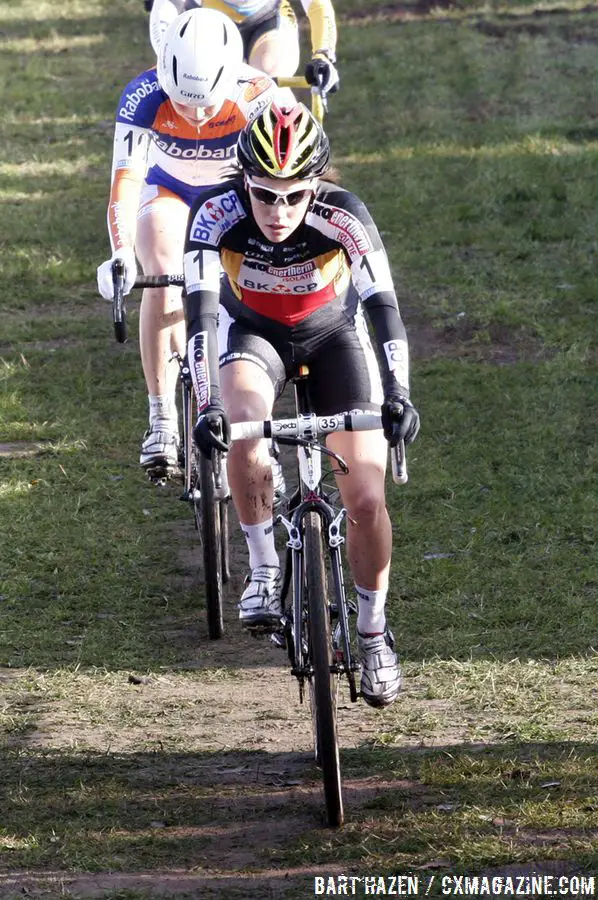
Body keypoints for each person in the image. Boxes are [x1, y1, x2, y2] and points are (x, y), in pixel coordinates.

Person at [183, 102, 420, 708]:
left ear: (317, 186)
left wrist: (399, 394)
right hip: (254, 338)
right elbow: (203, 317)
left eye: (295, 197)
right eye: (264, 195)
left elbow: (383, 307)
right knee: (242, 426)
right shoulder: (214, 215)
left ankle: (371, 635)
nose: (279, 212)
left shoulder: (346, 216)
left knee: (365, 496)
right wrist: (207, 403)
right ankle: (264, 568)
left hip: (334, 338)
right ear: (243, 181)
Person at [96, 8, 278, 478]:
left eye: (207, 106)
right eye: (183, 103)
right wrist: (120, 252)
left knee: (255, 281)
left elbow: (281, 174)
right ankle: (161, 415)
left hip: (233, 191)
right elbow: (126, 179)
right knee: (159, 270)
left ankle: (263, 429)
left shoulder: (257, 93)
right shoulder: (143, 93)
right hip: (169, 190)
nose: (196, 116)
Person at [146, 0, 339, 96]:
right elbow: (165, 7)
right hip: (208, 15)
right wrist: (168, 58)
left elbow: (318, 5)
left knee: (269, 78)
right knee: (201, 83)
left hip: (268, 14)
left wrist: (323, 55)